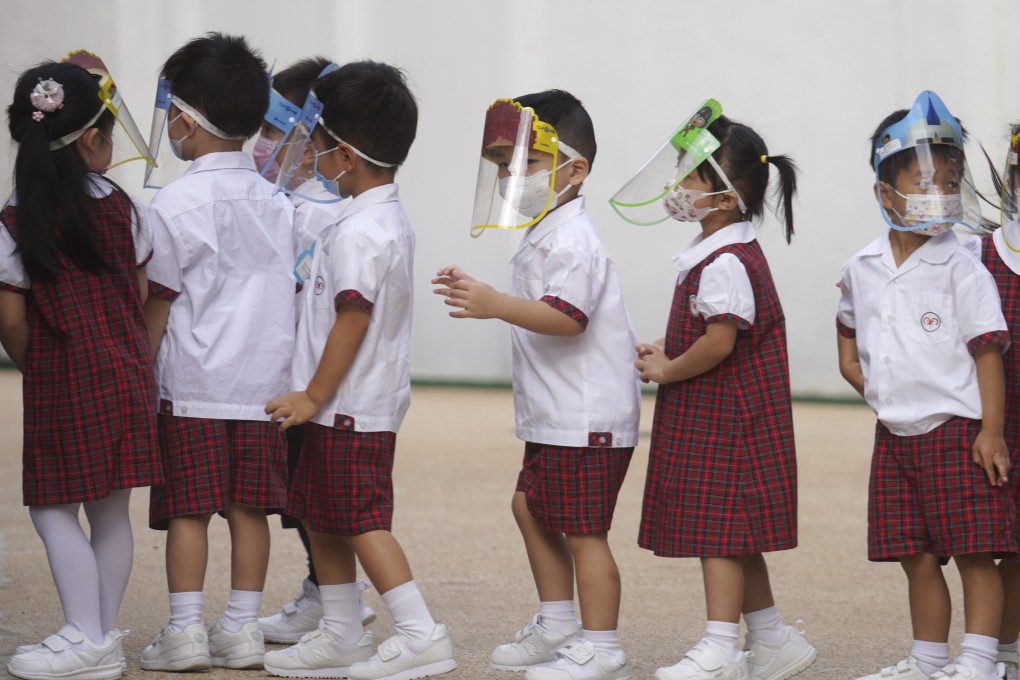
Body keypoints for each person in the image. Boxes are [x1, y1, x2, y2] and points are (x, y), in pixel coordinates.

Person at [433, 90, 641, 680]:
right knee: (531, 507)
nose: (507, 175)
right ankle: (557, 624)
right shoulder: (546, 230)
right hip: (559, 414)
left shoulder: (574, 238)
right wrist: (490, 296)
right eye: (501, 163)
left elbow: (566, 316)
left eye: (525, 162)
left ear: (575, 170)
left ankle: (602, 649)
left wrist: (495, 303)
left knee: (584, 532)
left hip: (587, 416)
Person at [262, 60, 456, 680]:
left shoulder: (365, 231)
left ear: (344, 155)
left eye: (315, 146)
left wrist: (313, 396)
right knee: (321, 514)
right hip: (337, 404)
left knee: (360, 520)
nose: (309, 156)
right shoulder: (361, 218)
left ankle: (420, 631)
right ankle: (341, 629)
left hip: (350, 406)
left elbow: (352, 319)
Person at [613, 99, 814, 680]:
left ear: (726, 199)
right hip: (726, 415)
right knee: (733, 529)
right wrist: (669, 348)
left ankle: (722, 648)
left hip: (731, 420)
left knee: (720, 535)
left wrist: (671, 368)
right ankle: (773, 639)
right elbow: (709, 331)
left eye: (687, 176)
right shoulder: (720, 250)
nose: (675, 185)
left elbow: (721, 342)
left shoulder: (724, 259)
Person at [837, 91, 1016, 680]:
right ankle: (927, 659)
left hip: (955, 430)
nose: (935, 192)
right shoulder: (862, 265)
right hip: (895, 432)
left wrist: (991, 430)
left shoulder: (964, 266)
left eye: (947, 178)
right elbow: (847, 326)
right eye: (920, 180)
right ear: (882, 190)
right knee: (914, 554)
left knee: (972, 551)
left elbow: (988, 349)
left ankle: (980, 661)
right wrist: (863, 378)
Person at [139, 32, 296, 672]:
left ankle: (183, 633)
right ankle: (241, 629)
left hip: (192, 384)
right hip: (263, 387)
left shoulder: (171, 203)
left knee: (187, 511)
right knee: (248, 509)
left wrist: (141, 376)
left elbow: (160, 298)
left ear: (185, 118)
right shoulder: (279, 202)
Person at [0, 55, 160, 680]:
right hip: (127, 376)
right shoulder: (127, 208)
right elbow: (143, 294)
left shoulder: (16, 218)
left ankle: (86, 637)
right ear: (93, 139)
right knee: (111, 510)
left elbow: (10, 318)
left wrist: (34, 360)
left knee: (51, 507)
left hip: (63, 381)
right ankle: (98, 635)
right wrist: (134, 362)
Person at [252, 55, 377, 645]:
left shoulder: (320, 212)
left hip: (316, 381)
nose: (261, 143)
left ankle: (340, 600)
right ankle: (325, 593)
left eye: (274, 130)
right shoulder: (301, 202)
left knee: (323, 502)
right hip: (300, 374)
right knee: (304, 499)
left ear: (314, 140)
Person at [966, 126, 1020, 680]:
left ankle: (1005, 649)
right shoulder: (977, 252)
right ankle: (989, 650)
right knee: (986, 535)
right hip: (994, 416)